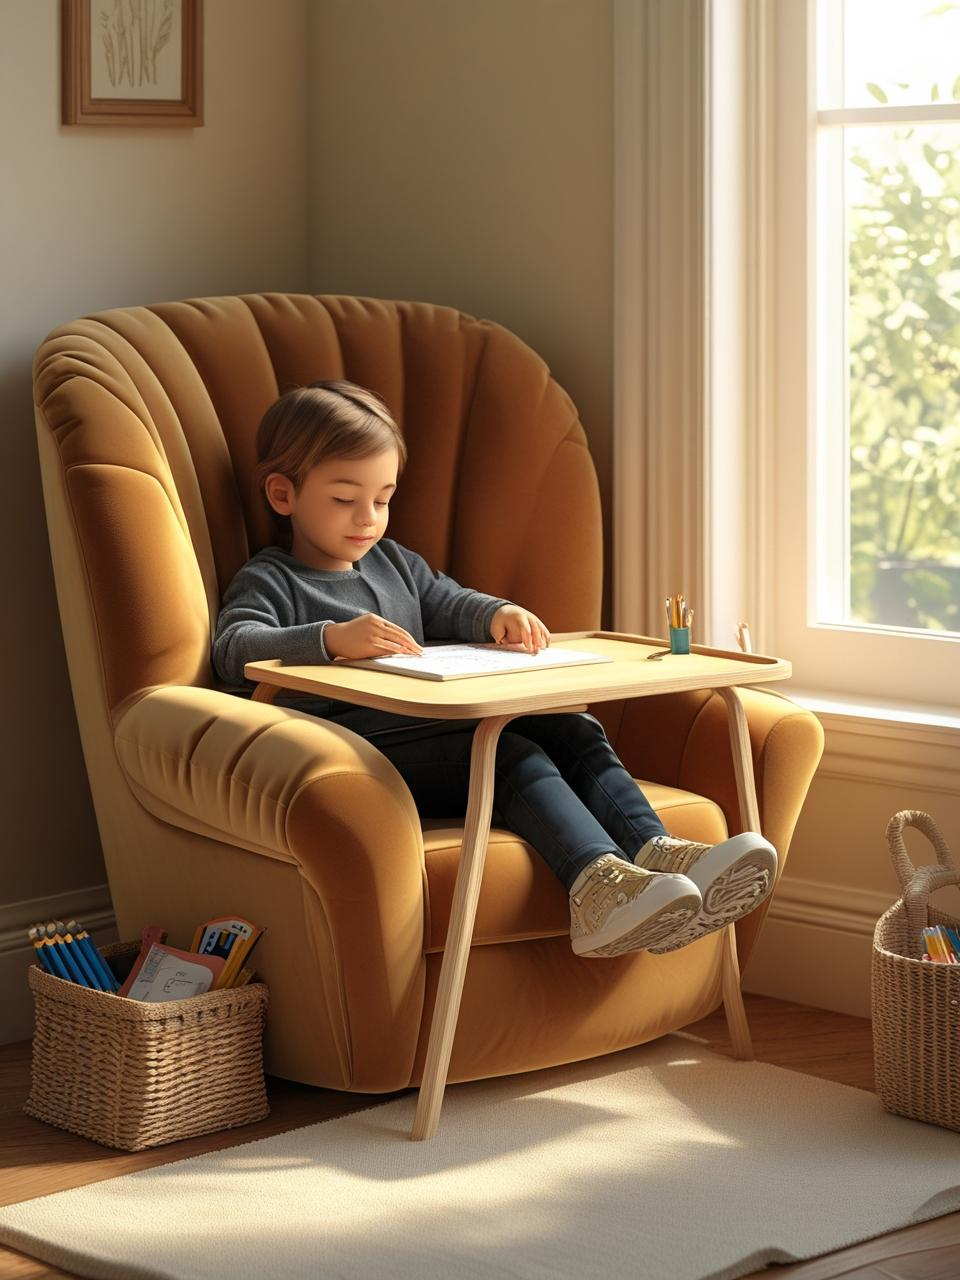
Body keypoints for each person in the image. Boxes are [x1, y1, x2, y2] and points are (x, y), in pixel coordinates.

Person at [211, 380, 777, 959]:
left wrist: (497, 614)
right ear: (283, 496)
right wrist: (329, 639)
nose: (367, 518)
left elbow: (449, 600)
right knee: (507, 755)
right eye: (343, 499)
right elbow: (233, 645)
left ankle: (654, 850)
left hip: (428, 731)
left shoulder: (392, 563)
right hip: (362, 751)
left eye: (382, 499)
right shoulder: (272, 579)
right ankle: (598, 893)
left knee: (569, 727)